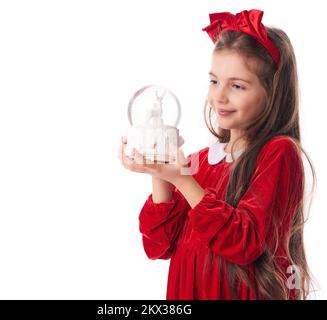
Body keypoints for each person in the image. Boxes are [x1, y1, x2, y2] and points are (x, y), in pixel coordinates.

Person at [118, 9, 315, 300]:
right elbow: (158, 246)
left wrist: (182, 179)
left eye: (237, 86)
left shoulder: (278, 153)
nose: (219, 96)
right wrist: (160, 175)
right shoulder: (198, 161)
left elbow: (243, 242)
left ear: (271, 92)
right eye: (214, 81)